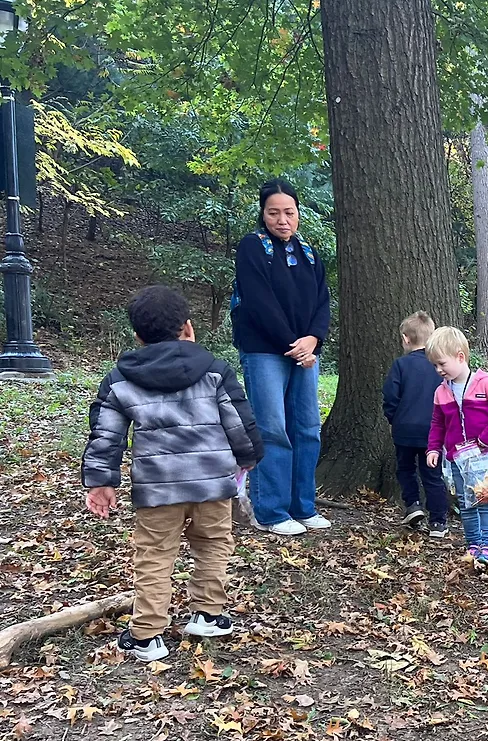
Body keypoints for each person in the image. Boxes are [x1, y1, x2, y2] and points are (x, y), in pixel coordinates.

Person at [83, 286, 263, 662]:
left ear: (137, 336)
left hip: (157, 488)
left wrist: (101, 481)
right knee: (213, 544)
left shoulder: (121, 379)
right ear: (188, 328)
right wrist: (249, 456)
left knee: (153, 554)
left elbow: (106, 434)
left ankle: (147, 635)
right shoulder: (214, 370)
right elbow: (238, 420)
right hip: (213, 483)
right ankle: (208, 615)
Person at [232, 178, 332, 536]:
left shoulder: (308, 253)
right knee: (273, 429)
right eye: (274, 213)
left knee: (307, 428)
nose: (282, 220)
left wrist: (313, 340)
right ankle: (270, 511)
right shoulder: (252, 247)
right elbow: (259, 302)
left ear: (298, 213)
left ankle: (303, 507)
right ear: (263, 214)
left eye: (289, 212)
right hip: (265, 352)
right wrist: (295, 344)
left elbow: (322, 301)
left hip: (305, 352)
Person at [424, 327, 488, 568]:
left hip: (486, 456)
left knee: (487, 499)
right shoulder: (441, 392)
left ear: (460, 357)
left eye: (442, 364)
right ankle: (473, 543)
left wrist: (487, 437)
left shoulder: (484, 383)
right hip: (458, 459)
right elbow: (437, 423)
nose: (438, 370)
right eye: (435, 365)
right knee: (466, 502)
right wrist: (433, 448)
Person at [383, 311, 449, 537]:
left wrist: (393, 419)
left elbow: (390, 396)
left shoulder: (401, 365)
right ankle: (438, 522)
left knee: (405, 468)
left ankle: (413, 505)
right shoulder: (439, 367)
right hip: (433, 432)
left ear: (405, 338)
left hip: (405, 429)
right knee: (432, 475)